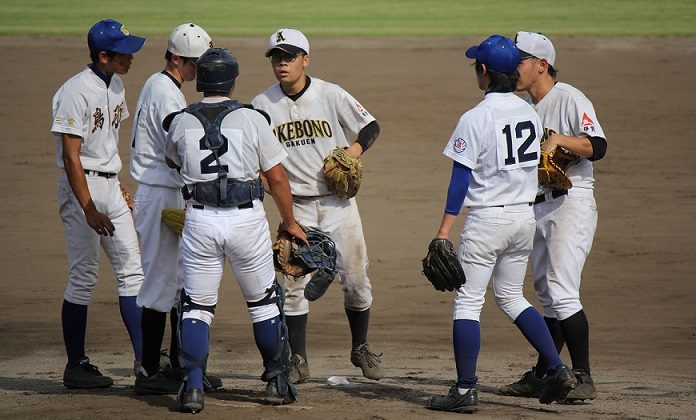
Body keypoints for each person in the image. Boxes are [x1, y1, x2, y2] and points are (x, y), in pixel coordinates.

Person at [424, 35, 577, 413]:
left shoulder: (475, 117)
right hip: (524, 218)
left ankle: (464, 390)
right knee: (510, 296)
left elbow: (460, 180)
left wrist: (443, 231)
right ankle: (557, 368)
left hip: (487, 221)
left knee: (468, 302)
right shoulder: (529, 112)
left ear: (485, 71)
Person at [165, 47, 308, 413]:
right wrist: (290, 222)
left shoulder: (181, 120)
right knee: (263, 303)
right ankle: (277, 380)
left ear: (202, 79)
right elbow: (277, 177)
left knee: (196, 307)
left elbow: (172, 159)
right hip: (246, 221)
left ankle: (194, 387)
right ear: (232, 79)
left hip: (199, 221)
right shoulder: (252, 118)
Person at [251, 28, 384, 384]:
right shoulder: (261, 105)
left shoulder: (331, 93)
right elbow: (249, 149)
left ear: (305, 60)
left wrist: (351, 152)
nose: (282, 63)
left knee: (356, 281)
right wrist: (261, 176)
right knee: (293, 285)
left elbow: (370, 127)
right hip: (295, 210)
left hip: (339, 206)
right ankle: (298, 359)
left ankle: (360, 347)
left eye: (289, 57)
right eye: (276, 57)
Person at [499, 31, 607, 402]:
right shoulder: (521, 107)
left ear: (541, 65)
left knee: (561, 290)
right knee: (546, 293)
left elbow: (598, 146)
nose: (514, 68)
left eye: (521, 61)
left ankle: (584, 376)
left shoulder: (570, 98)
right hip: (537, 204)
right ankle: (546, 372)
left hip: (570, 203)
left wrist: (559, 139)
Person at [50, 18, 146, 389]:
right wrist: (88, 206)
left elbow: (106, 143)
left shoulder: (117, 83)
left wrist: (117, 186)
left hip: (108, 185)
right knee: (84, 276)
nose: (131, 57)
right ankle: (76, 365)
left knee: (133, 271)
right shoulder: (75, 91)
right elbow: (72, 156)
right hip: (82, 190)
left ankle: (145, 364)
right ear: (104, 56)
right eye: (124, 53)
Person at [129, 23, 221, 395]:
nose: (200, 71)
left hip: (167, 192)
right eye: (196, 64)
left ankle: (177, 365)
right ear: (177, 58)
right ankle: (149, 370)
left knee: (179, 282)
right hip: (159, 194)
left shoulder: (166, 87)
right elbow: (180, 143)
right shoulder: (164, 91)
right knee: (159, 285)